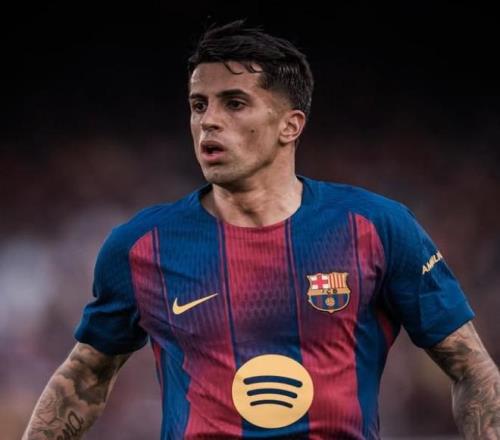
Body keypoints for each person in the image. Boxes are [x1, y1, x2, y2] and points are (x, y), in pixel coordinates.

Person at [23, 20, 499, 440]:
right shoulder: (141, 246)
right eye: (198, 104)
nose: (208, 121)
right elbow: (85, 377)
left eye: (234, 103)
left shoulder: (377, 227)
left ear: (290, 125)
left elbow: (471, 369)